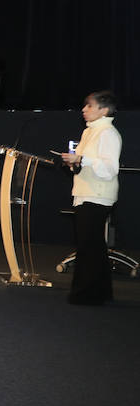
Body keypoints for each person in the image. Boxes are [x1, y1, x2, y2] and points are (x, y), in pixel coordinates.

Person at [60, 91, 123, 305]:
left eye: (89, 106)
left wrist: (82, 159)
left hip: (97, 195)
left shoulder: (107, 133)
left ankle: (87, 294)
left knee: (89, 246)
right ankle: (100, 292)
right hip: (85, 192)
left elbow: (110, 168)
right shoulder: (90, 132)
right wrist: (74, 163)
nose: (84, 110)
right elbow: (86, 163)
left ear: (103, 110)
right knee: (92, 245)